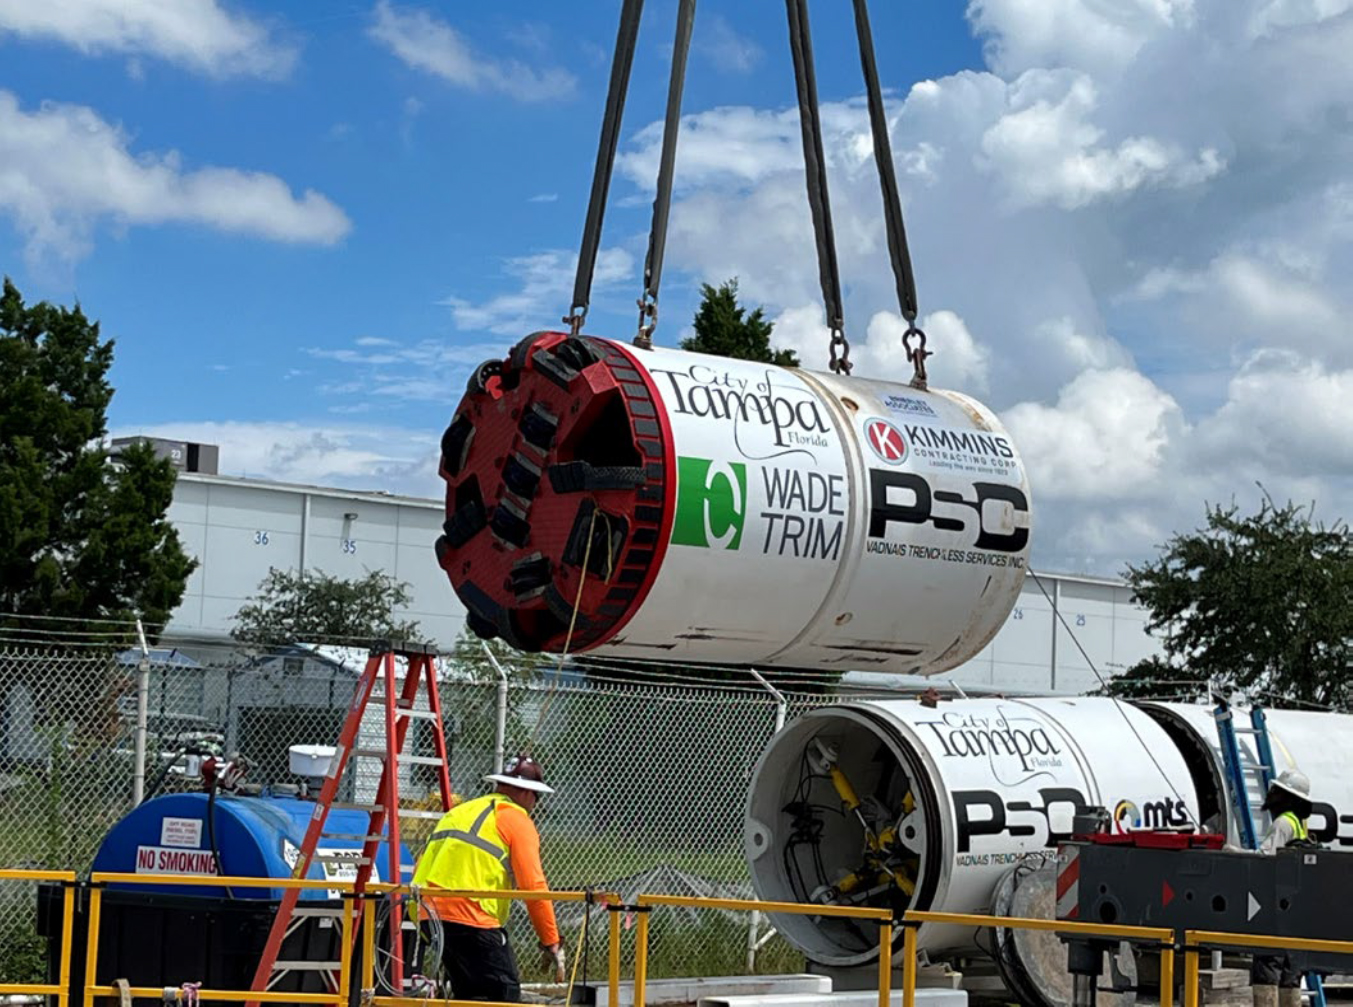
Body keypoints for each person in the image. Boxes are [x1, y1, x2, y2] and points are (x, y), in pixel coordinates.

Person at [413, 754, 565, 1002]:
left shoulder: (460, 812)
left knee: (470, 994)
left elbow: (423, 861)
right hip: (472, 918)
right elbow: (534, 887)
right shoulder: (516, 819)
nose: (535, 805)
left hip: (428, 915)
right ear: (528, 794)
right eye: (537, 798)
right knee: (503, 993)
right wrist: (551, 940)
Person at [1250, 770, 1315, 1007]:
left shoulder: (1282, 823)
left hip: (1275, 905)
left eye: (1277, 791)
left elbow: (1266, 858)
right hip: (1294, 910)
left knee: (1267, 964)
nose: (1271, 795)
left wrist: (1233, 853)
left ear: (1287, 797)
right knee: (1290, 971)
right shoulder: (1299, 825)